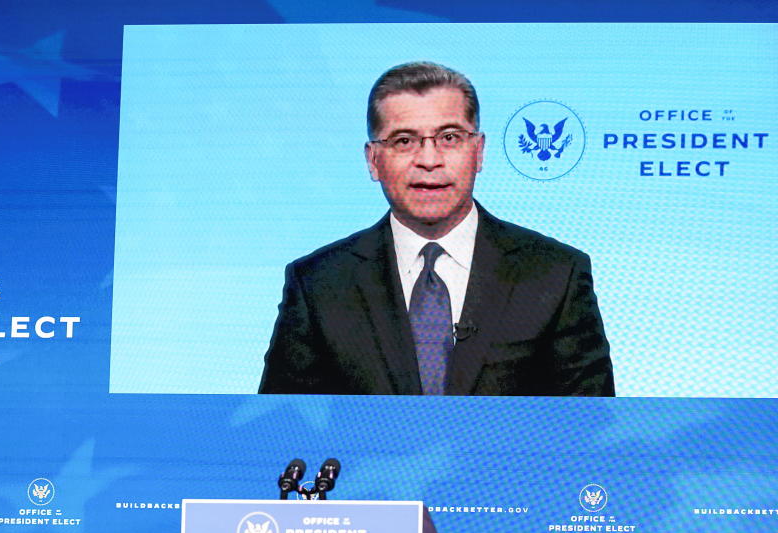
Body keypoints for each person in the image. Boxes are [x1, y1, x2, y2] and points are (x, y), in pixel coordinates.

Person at [258, 61, 614, 396]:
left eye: (449, 138)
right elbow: (278, 427)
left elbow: (590, 433)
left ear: (478, 152)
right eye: (403, 141)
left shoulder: (556, 274)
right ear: (373, 160)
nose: (429, 160)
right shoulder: (318, 283)